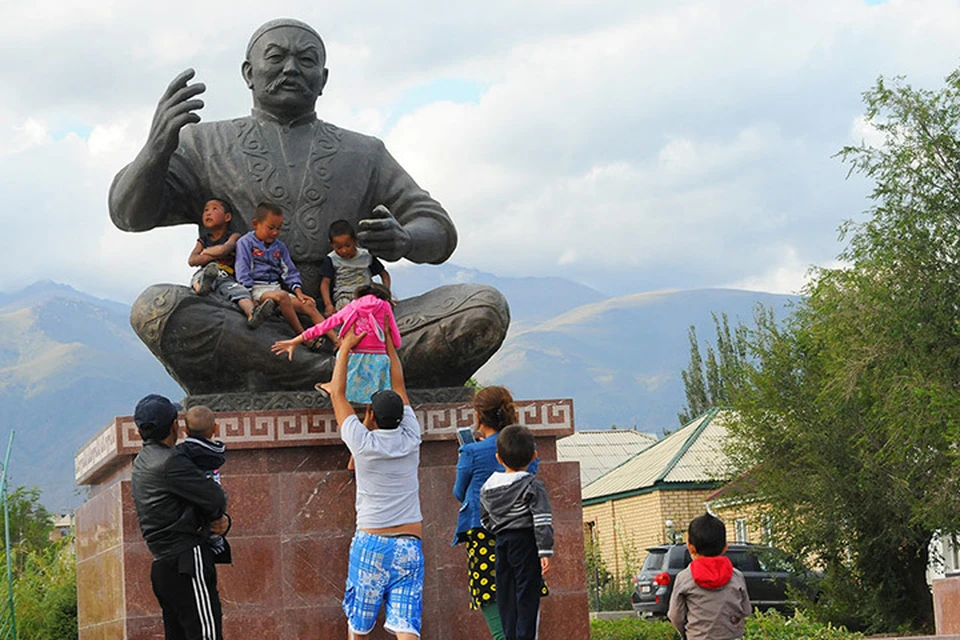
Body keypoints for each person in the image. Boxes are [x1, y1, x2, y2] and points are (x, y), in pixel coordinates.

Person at [109, 18, 510, 394]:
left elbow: (438, 227)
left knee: (484, 307)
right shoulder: (203, 144)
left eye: (305, 60)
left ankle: (302, 370)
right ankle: (336, 373)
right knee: (156, 309)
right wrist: (155, 150)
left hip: (352, 318)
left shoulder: (362, 152)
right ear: (249, 73)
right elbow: (128, 215)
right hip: (253, 321)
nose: (290, 69)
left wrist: (405, 239)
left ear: (324, 79)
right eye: (276, 58)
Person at [329, 327, 423, 639]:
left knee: (359, 626)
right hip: (410, 543)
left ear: (370, 413)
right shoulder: (412, 438)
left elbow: (338, 394)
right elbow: (400, 384)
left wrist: (345, 349)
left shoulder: (362, 443)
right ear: (402, 415)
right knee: (406, 624)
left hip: (371, 543)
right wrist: (388, 347)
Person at [130, 394, 230, 640]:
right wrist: (218, 520)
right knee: (206, 635)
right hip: (187, 560)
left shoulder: (141, 461)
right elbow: (215, 498)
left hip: (163, 564)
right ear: (175, 425)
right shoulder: (171, 462)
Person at [452, 387, 541, 640]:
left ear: (478, 416)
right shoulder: (526, 446)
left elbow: (460, 492)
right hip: (523, 533)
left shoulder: (471, 451)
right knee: (525, 610)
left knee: (496, 614)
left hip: (483, 535)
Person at [480, 426, 553, 640]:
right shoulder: (532, 486)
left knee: (506, 595)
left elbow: (485, 519)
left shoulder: (487, 487)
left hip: (501, 543)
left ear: (498, 458)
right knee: (527, 594)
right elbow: (542, 520)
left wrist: (499, 530)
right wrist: (545, 550)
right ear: (533, 456)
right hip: (526, 542)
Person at [272, 283, 401, 403]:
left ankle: (330, 386)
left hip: (352, 358)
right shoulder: (385, 306)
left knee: (343, 367)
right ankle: (370, 413)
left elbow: (325, 325)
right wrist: (391, 345)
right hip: (378, 359)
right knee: (376, 392)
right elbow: (395, 336)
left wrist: (295, 341)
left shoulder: (353, 306)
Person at [235, 202, 326, 339]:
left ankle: (337, 340)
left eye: (279, 228)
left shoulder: (279, 246)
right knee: (282, 296)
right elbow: (243, 270)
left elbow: (289, 271)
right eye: (271, 228)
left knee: (309, 305)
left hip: (275, 288)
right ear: (256, 224)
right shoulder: (245, 242)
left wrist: (298, 292)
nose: (275, 232)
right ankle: (303, 337)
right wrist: (248, 296)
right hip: (257, 289)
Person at [188, 198, 273, 329]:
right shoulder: (203, 240)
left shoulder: (234, 236)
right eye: (206, 210)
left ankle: (253, 314)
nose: (208, 213)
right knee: (199, 278)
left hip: (227, 276)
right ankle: (202, 289)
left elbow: (224, 249)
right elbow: (192, 260)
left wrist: (205, 252)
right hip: (207, 273)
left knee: (240, 293)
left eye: (214, 209)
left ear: (227, 217)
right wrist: (213, 254)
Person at [667, 514, 752, 640]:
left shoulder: (684, 578)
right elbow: (746, 610)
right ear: (725, 547)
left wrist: (686, 633)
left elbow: (675, 615)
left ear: (690, 547)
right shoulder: (736, 576)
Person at [178, 406, 231, 563]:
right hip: (215, 496)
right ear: (215, 428)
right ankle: (215, 540)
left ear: (185, 430)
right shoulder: (217, 452)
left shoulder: (182, 454)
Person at [320, 218, 392, 315]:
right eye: (339, 247)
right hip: (344, 295)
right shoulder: (331, 259)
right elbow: (325, 284)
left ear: (355, 240)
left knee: (375, 310)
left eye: (347, 245)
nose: (344, 250)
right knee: (348, 312)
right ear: (331, 244)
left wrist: (385, 294)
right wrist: (328, 305)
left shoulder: (366, 256)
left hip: (366, 292)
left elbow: (384, 275)